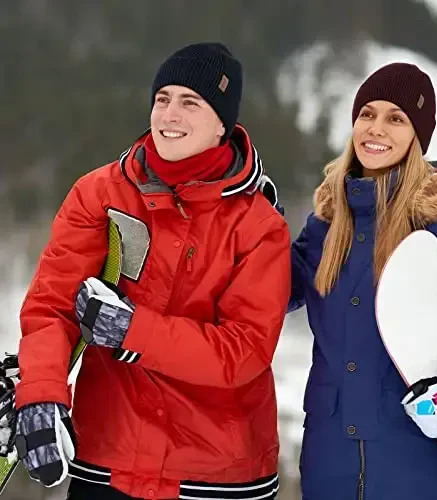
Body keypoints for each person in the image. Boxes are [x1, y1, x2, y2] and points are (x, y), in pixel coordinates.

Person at [14, 42, 290, 500]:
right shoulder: (100, 193)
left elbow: (245, 350)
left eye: (190, 102)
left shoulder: (259, 225)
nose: (169, 115)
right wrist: (41, 390)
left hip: (215, 475)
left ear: (222, 124)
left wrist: (133, 331)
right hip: (106, 458)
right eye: (163, 99)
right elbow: (52, 306)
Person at [290, 62, 437, 499]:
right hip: (329, 466)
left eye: (396, 118)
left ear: (418, 136)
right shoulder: (325, 225)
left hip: (421, 471)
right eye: (367, 114)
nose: (376, 128)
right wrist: (250, 221)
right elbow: (267, 292)